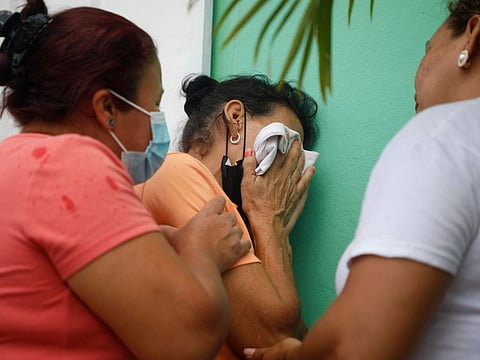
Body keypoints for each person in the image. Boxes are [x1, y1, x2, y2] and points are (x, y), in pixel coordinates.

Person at [0, 1, 251, 359]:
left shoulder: (15, 160)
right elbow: (186, 340)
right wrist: (202, 250)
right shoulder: (70, 164)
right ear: (107, 108)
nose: (158, 121)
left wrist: (172, 242)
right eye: (154, 105)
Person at [244, 0, 480, 359]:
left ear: (471, 37)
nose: (417, 74)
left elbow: (357, 344)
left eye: (428, 49)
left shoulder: (444, 136)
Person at [135, 74, 320, 359]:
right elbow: (274, 335)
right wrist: (269, 220)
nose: (283, 169)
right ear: (236, 118)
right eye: (281, 143)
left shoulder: (238, 226)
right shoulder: (178, 170)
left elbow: (298, 346)